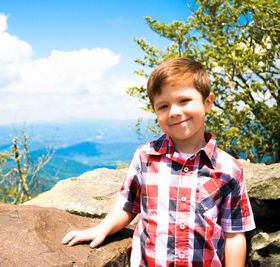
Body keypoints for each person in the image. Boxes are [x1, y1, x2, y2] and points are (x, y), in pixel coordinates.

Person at [62, 57, 255, 266]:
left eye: (184, 100)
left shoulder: (229, 169)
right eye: (163, 106)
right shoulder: (145, 157)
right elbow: (127, 206)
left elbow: (234, 234)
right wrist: (101, 229)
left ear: (207, 102)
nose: (174, 112)